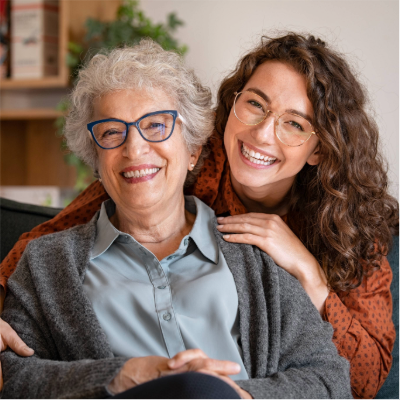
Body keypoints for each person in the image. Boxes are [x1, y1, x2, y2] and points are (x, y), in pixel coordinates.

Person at [0, 32, 396, 398]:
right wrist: (120, 376)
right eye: (255, 104)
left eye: (294, 123)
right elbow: (16, 358)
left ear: (319, 149)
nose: (261, 134)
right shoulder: (53, 258)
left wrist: (309, 274)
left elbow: (343, 379)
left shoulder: (319, 243)